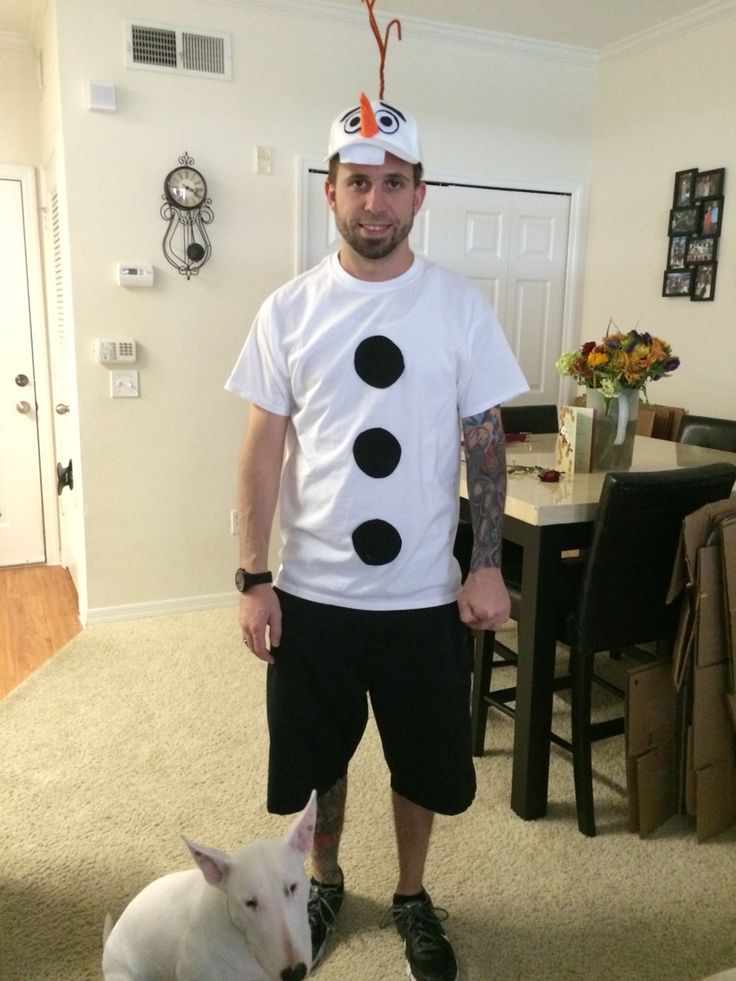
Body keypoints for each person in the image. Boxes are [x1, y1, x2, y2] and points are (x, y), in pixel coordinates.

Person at [226, 93, 528, 981]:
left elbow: (484, 438)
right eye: (358, 182)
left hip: (422, 599)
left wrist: (485, 565)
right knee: (319, 760)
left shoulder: (460, 307)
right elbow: (261, 451)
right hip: (314, 594)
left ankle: (409, 893)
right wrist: (252, 575)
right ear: (331, 192)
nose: (375, 201)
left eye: (393, 182)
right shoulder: (287, 311)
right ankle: (324, 879)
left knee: (420, 760)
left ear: (419, 194)